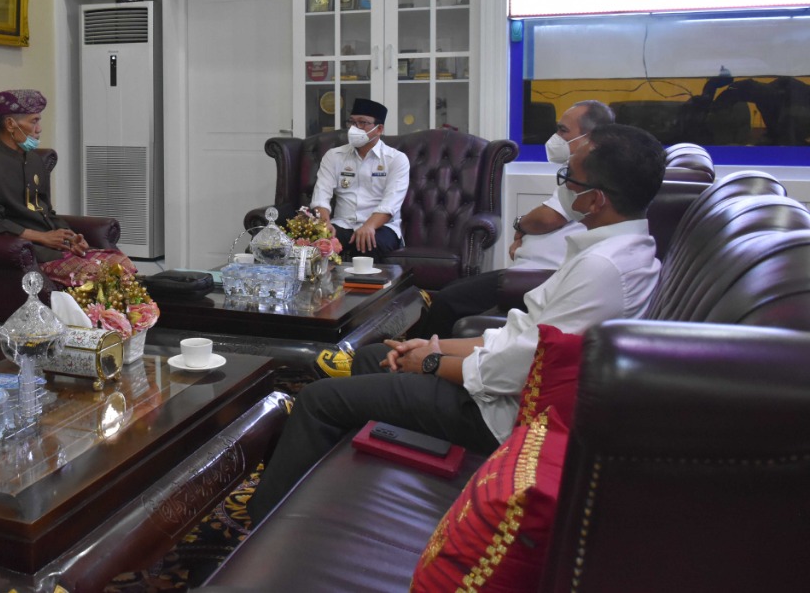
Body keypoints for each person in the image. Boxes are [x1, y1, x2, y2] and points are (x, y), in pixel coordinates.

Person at [248, 124, 665, 523]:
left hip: (495, 414)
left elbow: (520, 369)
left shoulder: (601, 269)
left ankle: (262, 522)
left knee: (318, 400)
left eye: (569, 179)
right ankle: (338, 494)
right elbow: (520, 336)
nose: (563, 187)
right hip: (496, 385)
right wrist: (434, 348)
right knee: (373, 356)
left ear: (595, 200)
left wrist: (431, 364)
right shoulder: (623, 249)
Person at [409, 100, 615, 339]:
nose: (555, 138)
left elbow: (548, 218)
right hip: (526, 270)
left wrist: (521, 225)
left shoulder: (590, 179)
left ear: (591, 137)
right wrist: (524, 233)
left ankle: (422, 353)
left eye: (563, 131)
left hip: (539, 276)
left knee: (448, 300)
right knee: (450, 291)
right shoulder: (576, 171)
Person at [0, 89, 89, 262]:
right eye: (34, 121)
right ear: (10, 124)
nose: (39, 129)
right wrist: (42, 237)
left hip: (54, 245)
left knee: (118, 264)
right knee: (94, 272)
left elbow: (46, 210)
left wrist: (71, 237)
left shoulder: (35, 160)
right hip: (29, 249)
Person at [308, 98, 409, 263]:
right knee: (319, 242)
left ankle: (366, 282)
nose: (355, 128)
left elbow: (390, 203)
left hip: (381, 227)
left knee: (368, 243)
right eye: (352, 122)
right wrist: (324, 224)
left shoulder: (396, 159)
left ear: (379, 129)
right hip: (342, 224)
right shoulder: (334, 156)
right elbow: (321, 195)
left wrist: (369, 226)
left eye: (362, 123)